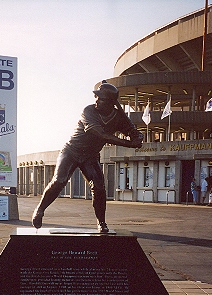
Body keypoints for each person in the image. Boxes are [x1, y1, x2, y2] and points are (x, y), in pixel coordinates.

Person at [31, 81, 143, 233]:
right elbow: (101, 135)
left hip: (90, 156)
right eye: (96, 97)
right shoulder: (88, 111)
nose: (96, 100)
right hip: (71, 151)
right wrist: (130, 144)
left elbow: (130, 129)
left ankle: (101, 222)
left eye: (101, 98)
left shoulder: (118, 117)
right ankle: (40, 209)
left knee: (99, 187)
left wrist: (136, 135)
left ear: (111, 102)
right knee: (59, 180)